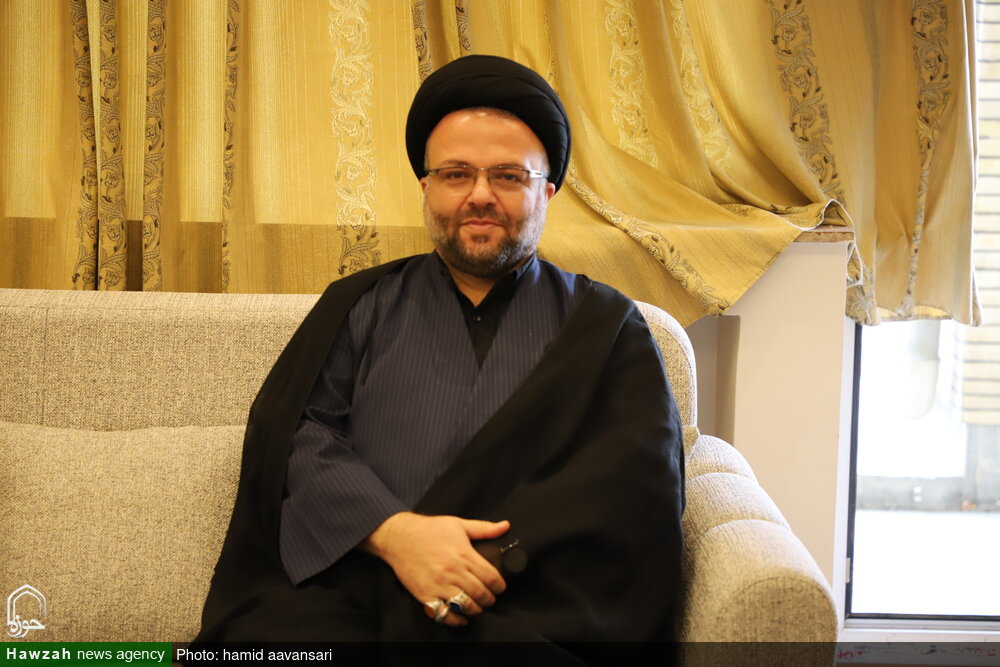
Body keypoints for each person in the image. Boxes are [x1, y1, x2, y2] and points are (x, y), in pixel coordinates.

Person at [193, 55, 684, 656]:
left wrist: (483, 561)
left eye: (509, 176)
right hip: (355, 594)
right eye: (456, 175)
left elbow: (634, 484)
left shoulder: (606, 326)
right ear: (427, 188)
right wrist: (398, 536)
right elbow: (296, 436)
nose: (480, 196)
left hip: (531, 605)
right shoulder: (357, 304)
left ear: (547, 192)